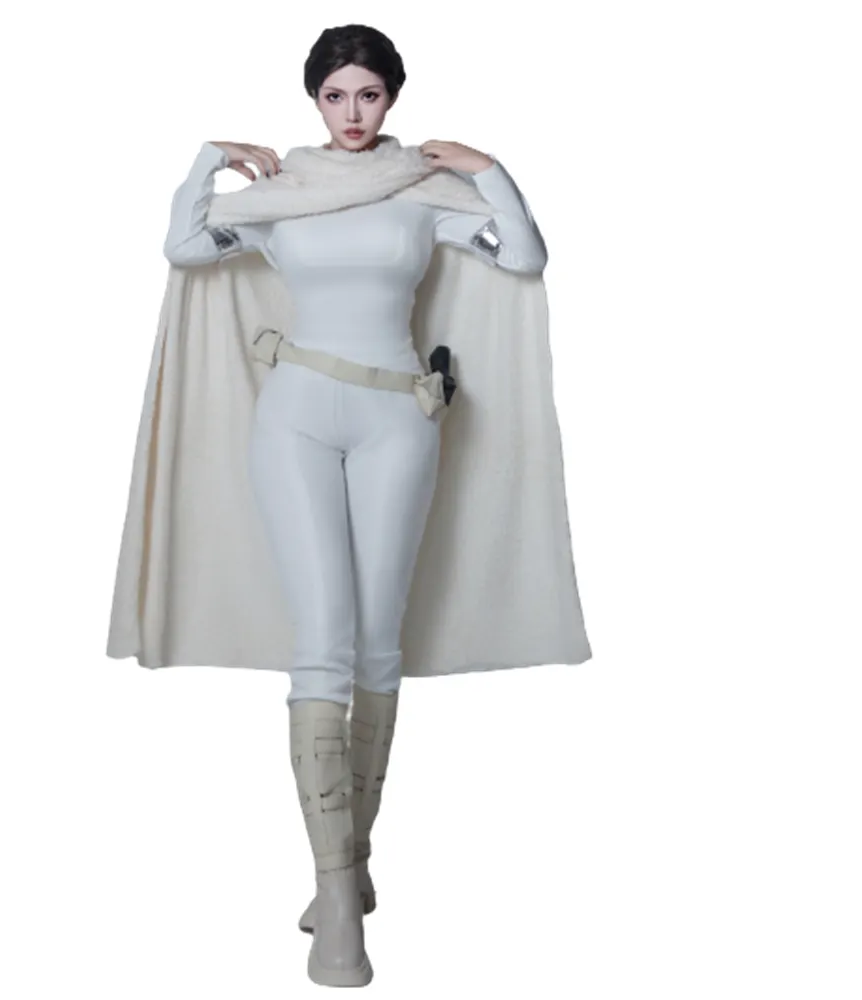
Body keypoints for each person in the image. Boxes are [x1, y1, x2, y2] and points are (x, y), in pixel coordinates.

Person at [106, 23, 591, 988]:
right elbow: (185, 247)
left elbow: (525, 258)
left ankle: (352, 862)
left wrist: (492, 171)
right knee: (323, 637)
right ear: (314, 100)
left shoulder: (419, 191)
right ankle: (336, 900)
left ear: (392, 97)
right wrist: (205, 161)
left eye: (369, 94)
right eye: (336, 96)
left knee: (376, 640)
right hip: (294, 417)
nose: (353, 113)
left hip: (398, 417)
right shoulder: (284, 194)